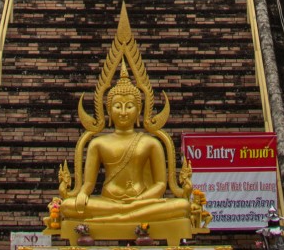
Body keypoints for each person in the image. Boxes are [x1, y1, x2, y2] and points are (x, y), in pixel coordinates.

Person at [60, 73, 191, 225]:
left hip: (142, 201)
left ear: (139, 110)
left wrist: (138, 200)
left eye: (129, 106)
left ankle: (121, 216)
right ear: (108, 110)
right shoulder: (98, 143)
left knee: (183, 206)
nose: (123, 112)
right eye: (117, 106)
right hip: (108, 201)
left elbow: (161, 185)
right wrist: (82, 194)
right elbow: (89, 184)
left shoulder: (150, 143)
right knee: (67, 206)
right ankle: (125, 215)